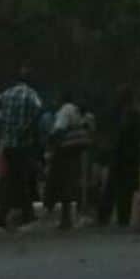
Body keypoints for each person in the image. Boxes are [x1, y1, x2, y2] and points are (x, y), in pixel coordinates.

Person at [0, 67, 43, 231]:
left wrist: (0, 124)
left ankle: (5, 217)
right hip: (22, 145)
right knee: (22, 181)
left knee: (10, 181)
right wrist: (28, 131)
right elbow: (38, 110)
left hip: (7, 145)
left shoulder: (7, 93)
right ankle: (23, 217)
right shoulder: (31, 95)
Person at [97, 85, 140, 228]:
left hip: (124, 157)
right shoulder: (129, 115)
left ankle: (111, 218)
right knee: (119, 189)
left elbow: (122, 136)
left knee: (116, 189)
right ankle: (118, 218)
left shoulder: (128, 115)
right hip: (126, 157)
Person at [45, 93, 89, 229]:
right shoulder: (76, 110)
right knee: (71, 182)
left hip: (65, 151)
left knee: (61, 182)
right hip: (77, 150)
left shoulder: (64, 110)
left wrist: (49, 140)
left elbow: (59, 129)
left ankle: (64, 219)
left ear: (61, 100)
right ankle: (68, 218)